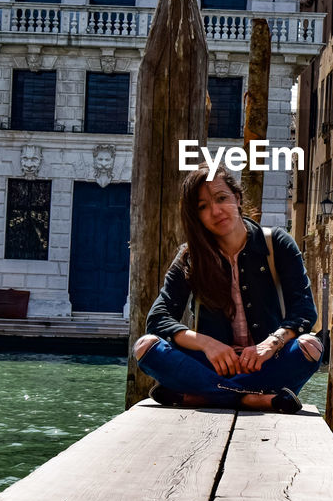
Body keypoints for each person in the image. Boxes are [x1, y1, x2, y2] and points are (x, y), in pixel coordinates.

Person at [133, 166, 322, 413]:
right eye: (202, 207)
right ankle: (249, 398)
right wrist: (208, 345)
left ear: (238, 198)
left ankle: (208, 395)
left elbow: (304, 311)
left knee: (310, 346)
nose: (215, 211)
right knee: (145, 347)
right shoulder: (191, 256)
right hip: (212, 365)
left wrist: (270, 344)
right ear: (196, 216)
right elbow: (158, 319)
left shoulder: (277, 243)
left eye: (222, 198)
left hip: (268, 363)